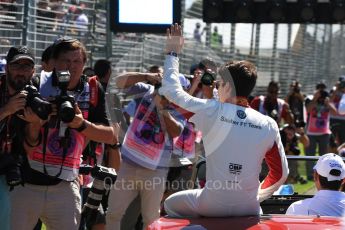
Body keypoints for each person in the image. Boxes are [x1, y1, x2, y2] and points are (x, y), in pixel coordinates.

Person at [159, 24, 289, 217]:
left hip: (211, 206)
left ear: (227, 86)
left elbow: (170, 92)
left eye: (219, 84)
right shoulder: (268, 124)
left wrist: (172, 54)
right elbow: (280, 174)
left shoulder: (211, 111)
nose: (216, 88)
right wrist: (256, 196)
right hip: (250, 209)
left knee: (169, 204)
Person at [10, 38, 120, 230]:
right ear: (54, 63)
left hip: (65, 184)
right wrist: (37, 122)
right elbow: (27, 141)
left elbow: (110, 136)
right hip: (27, 182)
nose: (71, 66)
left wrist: (80, 124)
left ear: (85, 64)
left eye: (77, 61)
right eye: (65, 61)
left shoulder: (92, 89)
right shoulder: (36, 83)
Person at [106, 68, 187, 229]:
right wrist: (146, 76)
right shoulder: (146, 90)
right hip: (129, 164)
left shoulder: (180, 106)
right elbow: (118, 81)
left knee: (150, 219)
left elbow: (176, 131)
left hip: (155, 171)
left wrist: (162, 109)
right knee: (113, 212)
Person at [0, 46, 36, 230]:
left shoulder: (35, 95)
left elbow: (32, 144)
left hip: (17, 168)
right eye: (16, 65)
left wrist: (34, 123)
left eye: (26, 66)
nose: (21, 71)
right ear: (6, 68)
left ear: (33, 71)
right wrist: (7, 109)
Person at [305, 82, 337, 180]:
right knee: (310, 154)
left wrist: (328, 104)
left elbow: (335, 112)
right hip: (311, 133)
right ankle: (310, 175)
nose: (321, 92)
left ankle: (322, 175)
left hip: (324, 133)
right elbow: (308, 110)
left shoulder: (327, 101)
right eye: (319, 89)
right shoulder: (310, 99)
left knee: (323, 155)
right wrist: (315, 99)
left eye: (323, 89)